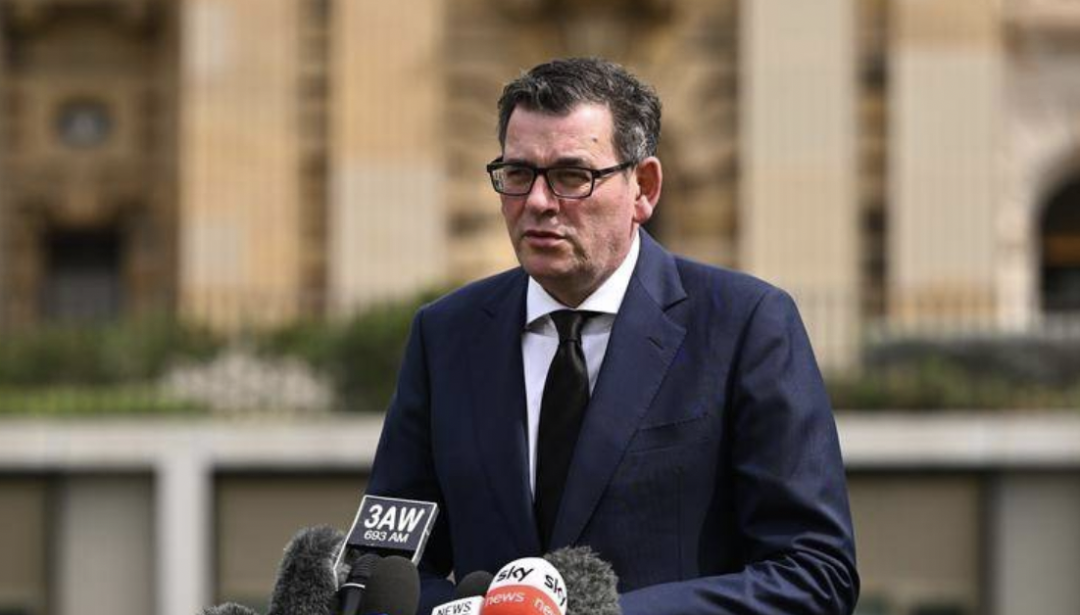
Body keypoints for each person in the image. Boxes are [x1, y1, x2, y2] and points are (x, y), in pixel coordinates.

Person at [366, 57, 859, 615]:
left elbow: (814, 574)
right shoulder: (445, 335)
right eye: (519, 173)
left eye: (572, 176)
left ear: (644, 188)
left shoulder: (746, 325)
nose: (538, 202)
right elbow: (383, 565)